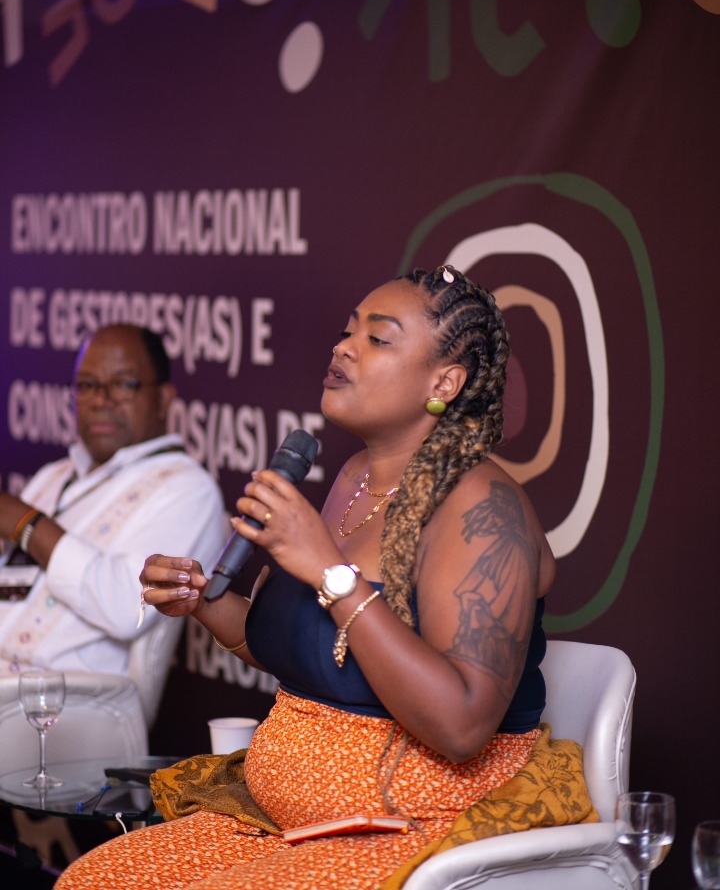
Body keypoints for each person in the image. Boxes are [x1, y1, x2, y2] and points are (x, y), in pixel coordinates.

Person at [57, 266, 561, 890]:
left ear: (444, 382)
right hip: (286, 820)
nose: (344, 348)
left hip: (419, 825)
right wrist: (202, 603)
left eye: (378, 339)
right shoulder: (354, 478)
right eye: (348, 331)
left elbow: (461, 725)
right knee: (93, 879)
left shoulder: (484, 508)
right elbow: (317, 650)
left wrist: (328, 569)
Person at [0, 323, 228, 681]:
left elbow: (127, 607)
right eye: (87, 385)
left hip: (61, 696)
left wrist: (27, 525)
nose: (100, 400)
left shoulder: (188, 489)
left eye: (122, 384)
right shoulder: (54, 475)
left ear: (163, 399)